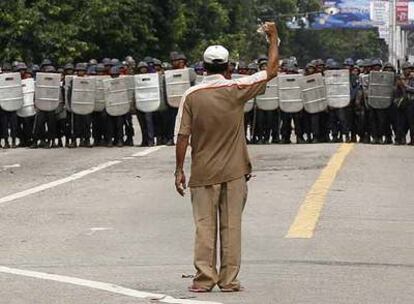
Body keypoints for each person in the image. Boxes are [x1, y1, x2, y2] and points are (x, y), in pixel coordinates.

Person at [175, 22, 279, 292]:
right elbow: (271, 71)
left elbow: (182, 137)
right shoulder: (237, 89)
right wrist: (273, 38)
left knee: (204, 227)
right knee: (231, 227)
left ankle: (203, 280)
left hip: (202, 172)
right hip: (234, 171)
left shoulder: (191, 95)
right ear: (228, 67)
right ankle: (229, 280)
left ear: (203, 67)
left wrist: (178, 171)